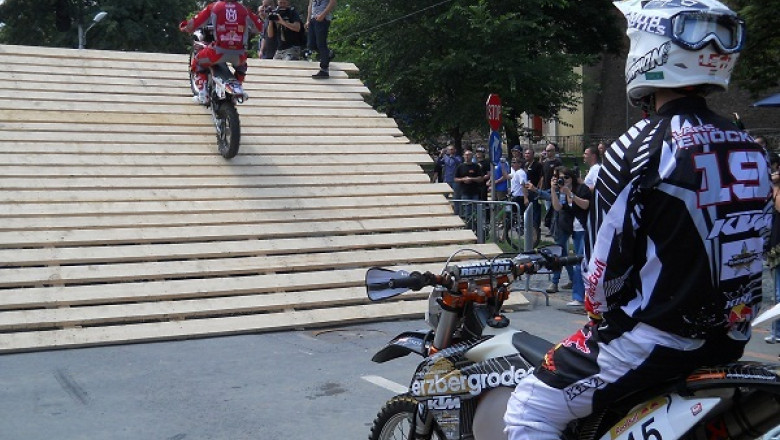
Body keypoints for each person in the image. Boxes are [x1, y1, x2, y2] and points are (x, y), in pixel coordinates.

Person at [505, 1, 770, 439]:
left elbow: (601, 273)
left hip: (656, 338)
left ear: (649, 49)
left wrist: (599, 314)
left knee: (528, 409)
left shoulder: (639, 145)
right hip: (732, 335)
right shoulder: (748, 145)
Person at [180, 0, 264, 105]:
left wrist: (184, 27)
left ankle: (203, 94)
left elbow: (193, 25)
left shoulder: (214, 7)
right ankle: (237, 88)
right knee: (242, 67)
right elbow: (260, 27)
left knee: (197, 61)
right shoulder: (245, 10)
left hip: (218, 51)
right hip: (240, 54)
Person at [548, 166, 591, 301]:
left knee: (580, 263)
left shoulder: (581, 189)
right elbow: (557, 207)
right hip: (575, 230)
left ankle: (579, 297)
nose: (564, 180)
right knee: (578, 261)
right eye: (560, 178)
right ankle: (581, 295)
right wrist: (553, 190)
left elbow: (585, 205)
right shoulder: (563, 192)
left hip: (585, 228)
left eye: (566, 177)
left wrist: (570, 194)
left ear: (572, 177)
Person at [767, 155, 780, 344]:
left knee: (778, 294)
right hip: (775, 244)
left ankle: (777, 332)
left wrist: (776, 186)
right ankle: (776, 331)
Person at [306, 0, 337, 78]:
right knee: (311, 45)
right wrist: (308, 20)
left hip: (323, 19)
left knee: (321, 44)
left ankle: (324, 70)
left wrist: (323, 15)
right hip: (313, 19)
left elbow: (333, 2)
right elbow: (310, 5)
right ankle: (328, 54)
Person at [454, 149, 484, 225]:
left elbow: (481, 178)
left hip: (475, 192)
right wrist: (463, 179)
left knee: (475, 210)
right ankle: (469, 225)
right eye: (466, 155)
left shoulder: (476, 166)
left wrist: (471, 179)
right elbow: (456, 179)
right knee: (467, 211)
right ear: (463, 156)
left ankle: (476, 226)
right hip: (465, 192)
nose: (467, 156)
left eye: (469, 155)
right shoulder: (460, 166)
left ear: (472, 156)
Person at [523, 147, 544, 247]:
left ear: (533, 155)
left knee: (536, 213)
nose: (527, 155)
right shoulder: (525, 165)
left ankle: (536, 235)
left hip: (534, 191)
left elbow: (541, 178)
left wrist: (538, 189)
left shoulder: (537, 165)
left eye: (529, 153)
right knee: (528, 212)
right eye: (526, 153)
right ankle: (529, 233)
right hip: (527, 191)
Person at [540, 142, 562, 235]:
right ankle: (551, 228)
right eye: (546, 151)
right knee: (548, 209)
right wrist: (540, 187)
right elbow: (542, 176)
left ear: (553, 151)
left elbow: (560, 174)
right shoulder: (545, 162)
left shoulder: (557, 162)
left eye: (549, 151)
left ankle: (554, 229)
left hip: (554, 189)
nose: (547, 152)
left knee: (554, 210)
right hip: (546, 188)